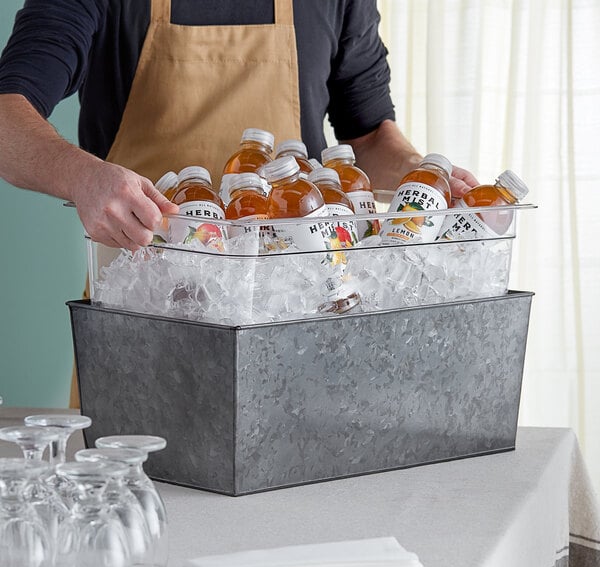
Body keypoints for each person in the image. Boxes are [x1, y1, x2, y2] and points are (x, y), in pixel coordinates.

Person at [0, 0, 477, 407]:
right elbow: (7, 115)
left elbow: (370, 134)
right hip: (146, 313)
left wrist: (427, 177)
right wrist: (84, 177)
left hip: (299, 311)